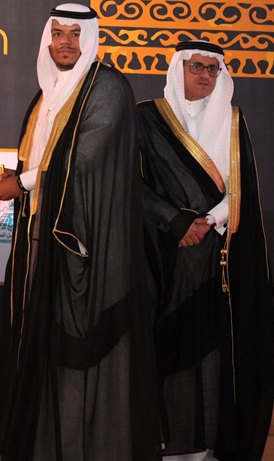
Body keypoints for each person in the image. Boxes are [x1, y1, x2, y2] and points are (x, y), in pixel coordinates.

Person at [0, 4, 160, 459]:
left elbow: (83, 160)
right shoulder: (47, 92)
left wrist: (23, 182)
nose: (65, 42)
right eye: (58, 33)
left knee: (77, 349)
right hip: (40, 236)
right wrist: (15, 175)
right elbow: (44, 160)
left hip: (86, 245)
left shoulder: (106, 87)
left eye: (75, 34)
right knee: (43, 346)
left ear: (91, 39)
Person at [137, 40, 274, 460]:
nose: (205, 75)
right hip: (160, 259)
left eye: (213, 69)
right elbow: (129, 184)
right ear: (178, 68)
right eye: (196, 66)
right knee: (165, 351)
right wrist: (175, 222)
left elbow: (241, 188)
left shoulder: (232, 121)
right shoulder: (146, 117)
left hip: (214, 258)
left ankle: (206, 448)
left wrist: (208, 221)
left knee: (211, 352)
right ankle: (167, 445)